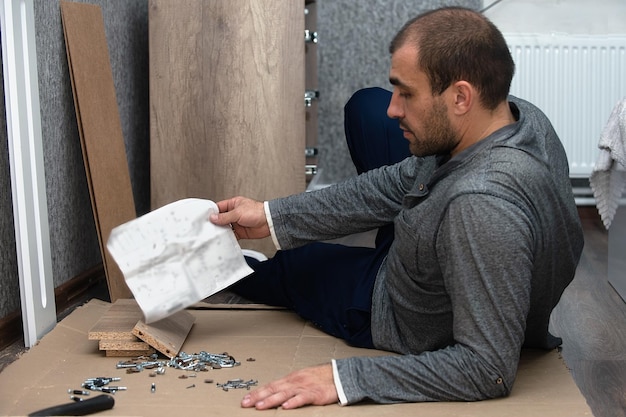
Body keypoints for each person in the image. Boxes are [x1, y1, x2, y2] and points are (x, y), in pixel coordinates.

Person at [210, 6, 584, 410]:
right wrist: (269, 215)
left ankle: (248, 272)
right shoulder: (522, 118)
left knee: (295, 265)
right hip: (442, 246)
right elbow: (398, 182)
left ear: (461, 96)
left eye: (407, 94)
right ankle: (389, 230)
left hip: (407, 309)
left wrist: (344, 377)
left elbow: (486, 367)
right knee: (366, 108)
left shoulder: (479, 207)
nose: (395, 107)